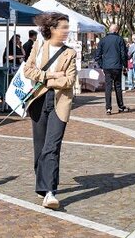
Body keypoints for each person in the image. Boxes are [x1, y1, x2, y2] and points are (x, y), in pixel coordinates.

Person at [23, 12, 77, 210]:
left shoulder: (70, 53)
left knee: (52, 146)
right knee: (40, 147)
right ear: (52, 28)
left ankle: (50, 191)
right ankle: (42, 184)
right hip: (38, 100)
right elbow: (28, 71)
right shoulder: (38, 46)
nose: (66, 31)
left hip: (59, 103)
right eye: (63, 27)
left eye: (67, 27)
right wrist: (52, 75)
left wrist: (45, 78)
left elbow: (69, 80)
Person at [94, 24, 129, 115]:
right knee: (118, 86)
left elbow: (97, 55)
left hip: (107, 67)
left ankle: (108, 108)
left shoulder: (103, 40)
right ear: (116, 30)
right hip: (117, 66)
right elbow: (123, 54)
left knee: (108, 87)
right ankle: (120, 106)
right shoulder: (120, 39)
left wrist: (102, 65)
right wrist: (125, 65)